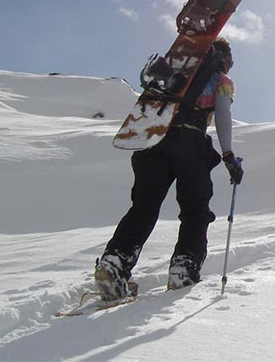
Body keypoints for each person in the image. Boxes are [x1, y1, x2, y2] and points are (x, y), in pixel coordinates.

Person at [95, 37, 244, 300]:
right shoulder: (221, 80)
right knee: (195, 210)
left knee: (144, 207)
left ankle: (114, 263)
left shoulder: (177, 68)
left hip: (154, 139)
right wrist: (228, 154)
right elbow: (222, 115)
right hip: (191, 141)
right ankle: (183, 269)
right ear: (226, 60)